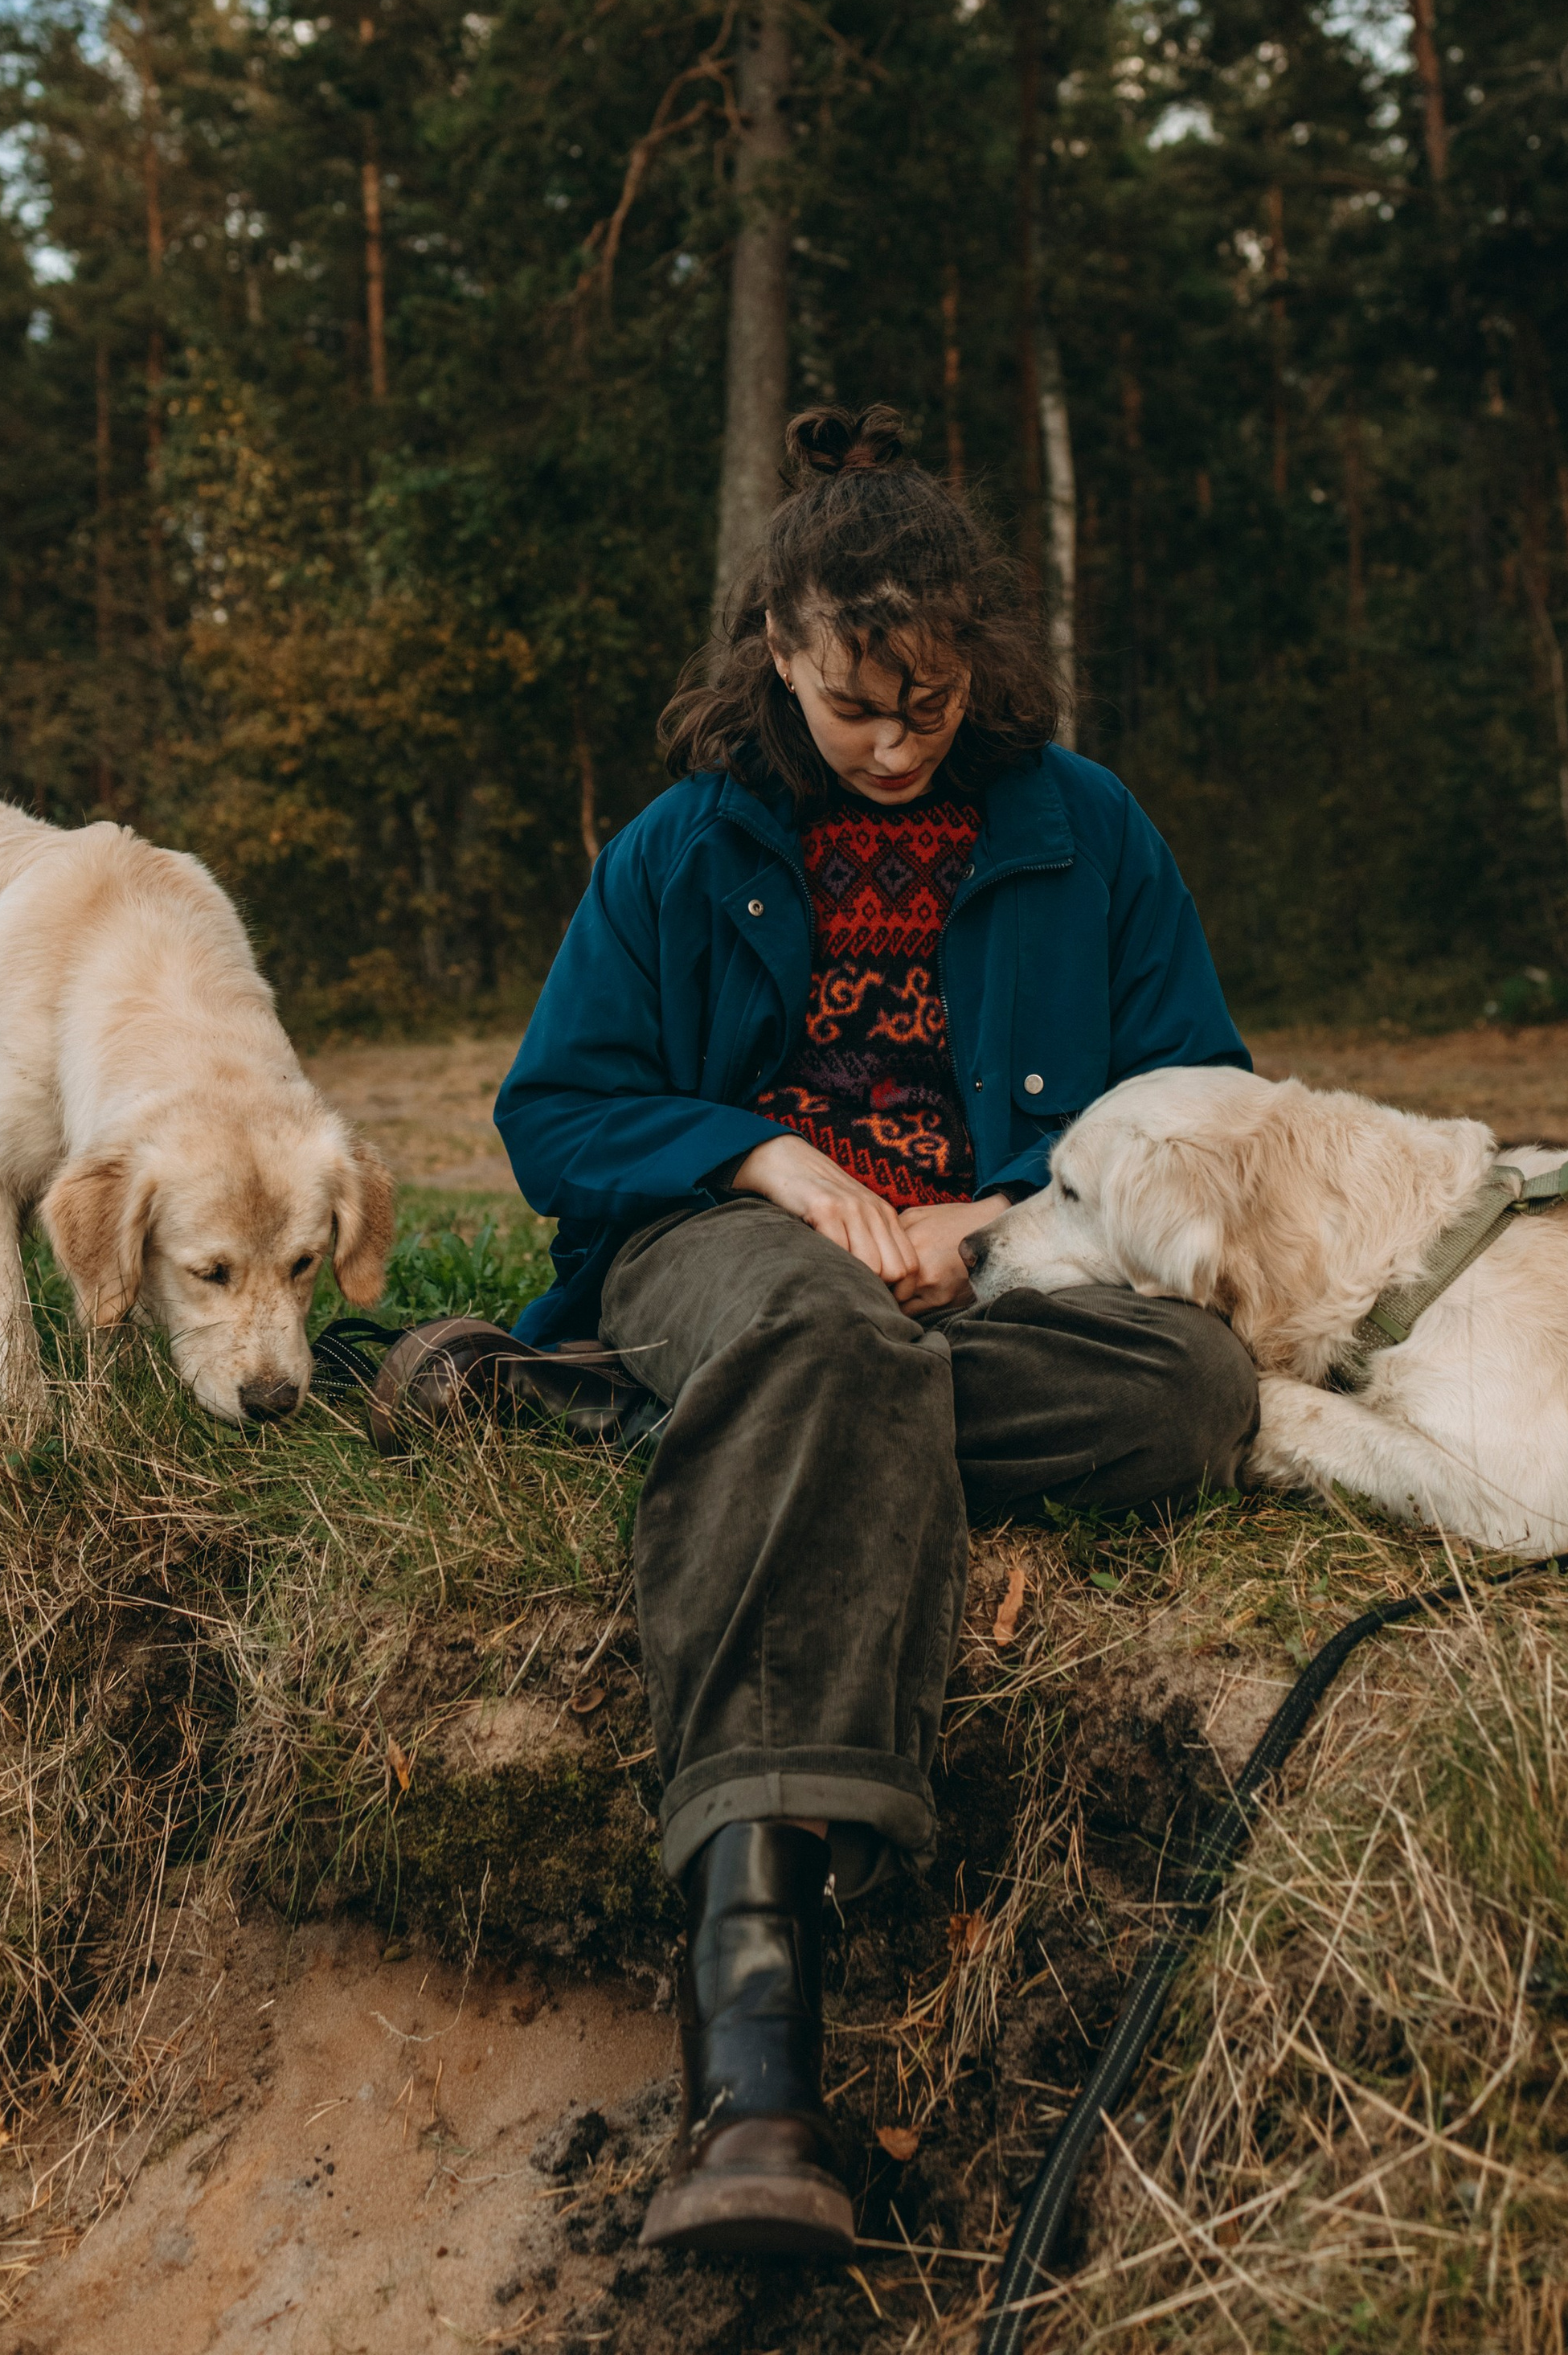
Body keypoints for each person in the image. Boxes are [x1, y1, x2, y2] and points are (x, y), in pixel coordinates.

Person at [495, 403, 1257, 2262]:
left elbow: (1202, 1095)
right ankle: (754, 2072)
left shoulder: (1085, 831)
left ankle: (632, 1414)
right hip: (722, 1243)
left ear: (974, 659)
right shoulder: (682, 845)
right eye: (857, 706)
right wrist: (766, 1161)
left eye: (926, 700)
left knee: (1201, 1388)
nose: (897, 738)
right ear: (779, 650)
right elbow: (556, 1114)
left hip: (993, 1260)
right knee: (810, 1333)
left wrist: (989, 1217)